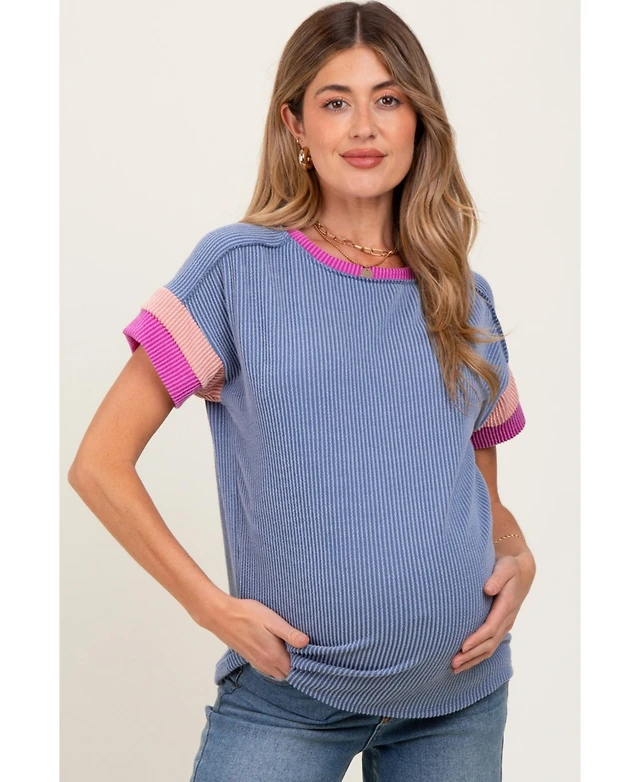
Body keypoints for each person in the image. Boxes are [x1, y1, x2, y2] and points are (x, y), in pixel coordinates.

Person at [68, 2, 536, 780]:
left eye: (388, 99)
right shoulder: (237, 270)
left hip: (461, 698)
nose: (365, 127)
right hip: (289, 697)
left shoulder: (463, 292)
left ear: (418, 120)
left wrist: (518, 556)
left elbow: (476, 486)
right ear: (296, 125)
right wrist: (210, 608)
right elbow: (99, 464)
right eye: (336, 102)